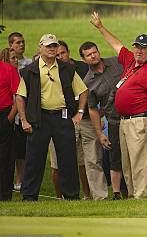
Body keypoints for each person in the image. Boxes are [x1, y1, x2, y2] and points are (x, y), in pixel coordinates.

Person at [91, 13, 147, 199]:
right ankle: (133, 194)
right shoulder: (131, 61)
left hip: (140, 120)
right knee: (127, 161)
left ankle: (142, 196)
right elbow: (116, 44)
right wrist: (101, 27)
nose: (139, 51)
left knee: (139, 160)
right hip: (124, 121)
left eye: (143, 48)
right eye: (137, 47)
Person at [15, 34, 88, 201]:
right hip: (38, 119)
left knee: (68, 159)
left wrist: (79, 114)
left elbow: (83, 91)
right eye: (48, 46)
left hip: (62, 117)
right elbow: (20, 97)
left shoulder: (67, 68)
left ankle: (71, 196)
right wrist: (24, 120)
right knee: (35, 159)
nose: (52, 49)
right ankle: (29, 196)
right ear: (40, 47)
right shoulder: (29, 70)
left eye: (54, 46)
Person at [54, 40, 108, 200]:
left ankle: (98, 196)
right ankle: (64, 197)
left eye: (62, 53)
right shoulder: (52, 72)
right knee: (63, 161)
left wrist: (100, 115)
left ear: (68, 52)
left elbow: (99, 90)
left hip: (87, 120)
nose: (60, 56)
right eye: (57, 55)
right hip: (63, 120)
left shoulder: (84, 68)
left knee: (92, 159)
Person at [80, 41, 126, 200]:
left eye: (94, 52)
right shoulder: (88, 81)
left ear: (98, 52)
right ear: (84, 59)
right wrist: (99, 134)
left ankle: (135, 192)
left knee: (132, 155)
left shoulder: (116, 62)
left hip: (131, 115)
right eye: (88, 55)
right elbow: (92, 108)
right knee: (115, 157)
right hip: (113, 119)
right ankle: (117, 193)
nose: (93, 56)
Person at [8, 32, 31, 191]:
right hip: (8, 111)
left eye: (23, 42)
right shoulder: (6, 65)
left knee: (22, 150)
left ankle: (20, 179)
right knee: (10, 148)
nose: (21, 45)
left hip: (24, 111)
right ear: (11, 45)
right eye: (17, 43)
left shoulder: (29, 63)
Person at [0, 51, 19, 200]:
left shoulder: (8, 69)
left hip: (4, 115)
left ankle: (4, 194)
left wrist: (9, 119)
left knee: (6, 156)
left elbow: (19, 95)